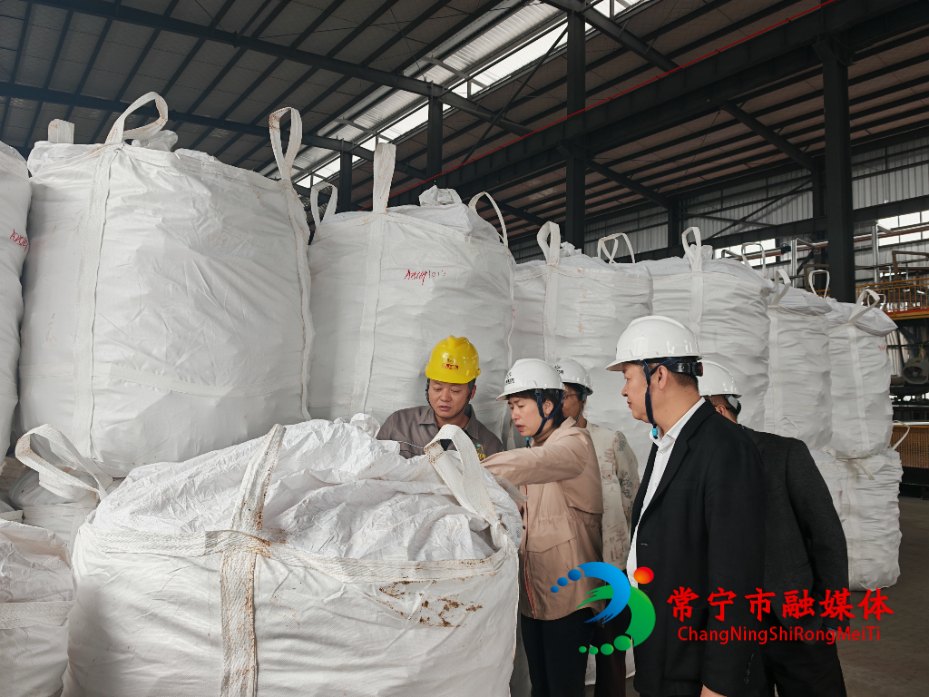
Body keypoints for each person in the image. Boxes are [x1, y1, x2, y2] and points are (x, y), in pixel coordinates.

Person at [606, 316, 765, 697]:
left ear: (658, 376)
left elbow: (736, 580)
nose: (624, 390)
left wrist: (720, 684)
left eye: (628, 377)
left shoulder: (725, 447)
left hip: (696, 670)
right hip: (662, 649)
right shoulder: (667, 443)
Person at [700, 360, 849, 697]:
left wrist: (831, 618)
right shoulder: (694, 468)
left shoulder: (784, 454)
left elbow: (827, 538)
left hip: (798, 620)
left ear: (720, 412)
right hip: (734, 630)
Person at [481, 358, 604, 697]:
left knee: (564, 690)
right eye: (511, 406)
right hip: (534, 597)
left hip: (569, 600)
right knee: (541, 687)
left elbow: (537, 464)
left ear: (547, 405)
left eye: (520, 405)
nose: (514, 415)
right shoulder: (535, 447)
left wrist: (472, 469)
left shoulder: (574, 443)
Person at [555, 358, 639, 697]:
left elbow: (632, 497)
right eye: (550, 396)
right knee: (566, 655)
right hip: (564, 568)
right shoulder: (541, 448)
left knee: (610, 649)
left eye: (565, 396)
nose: (557, 405)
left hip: (609, 566)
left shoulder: (609, 441)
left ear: (583, 398)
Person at [377, 336, 504, 459]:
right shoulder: (398, 424)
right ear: (428, 387)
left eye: (455, 391)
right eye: (437, 388)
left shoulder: (490, 447)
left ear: (471, 392)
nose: (444, 397)